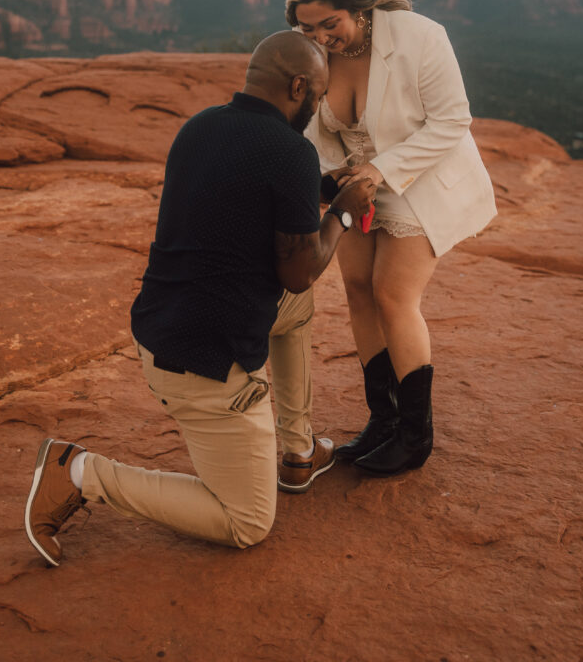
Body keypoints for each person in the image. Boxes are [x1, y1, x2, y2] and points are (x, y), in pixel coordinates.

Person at [25, 31, 373, 565]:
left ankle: (298, 452)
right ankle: (76, 472)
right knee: (247, 521)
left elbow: (243, 189)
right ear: (299, 85)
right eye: (318, 97)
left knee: (295, 314)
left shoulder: (199, 128)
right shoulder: (291, 152)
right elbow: (301, 272)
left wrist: (317, 187)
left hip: (163, 328)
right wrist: (342, 210)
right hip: (208, 365)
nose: (318, 107)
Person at [286, 0, 497, 477]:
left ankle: (415, 435)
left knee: (392, 294)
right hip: (353, 179)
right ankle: (383, 420)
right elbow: (316, 128)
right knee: (356, 287)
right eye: (306, 27)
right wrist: (336, 176)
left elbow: (453, 119)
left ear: (358, 8)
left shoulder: (420, 36)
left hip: (418, 176)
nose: (319, 37)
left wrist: (380, 170)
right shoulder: (310, 51)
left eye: (329, 24)